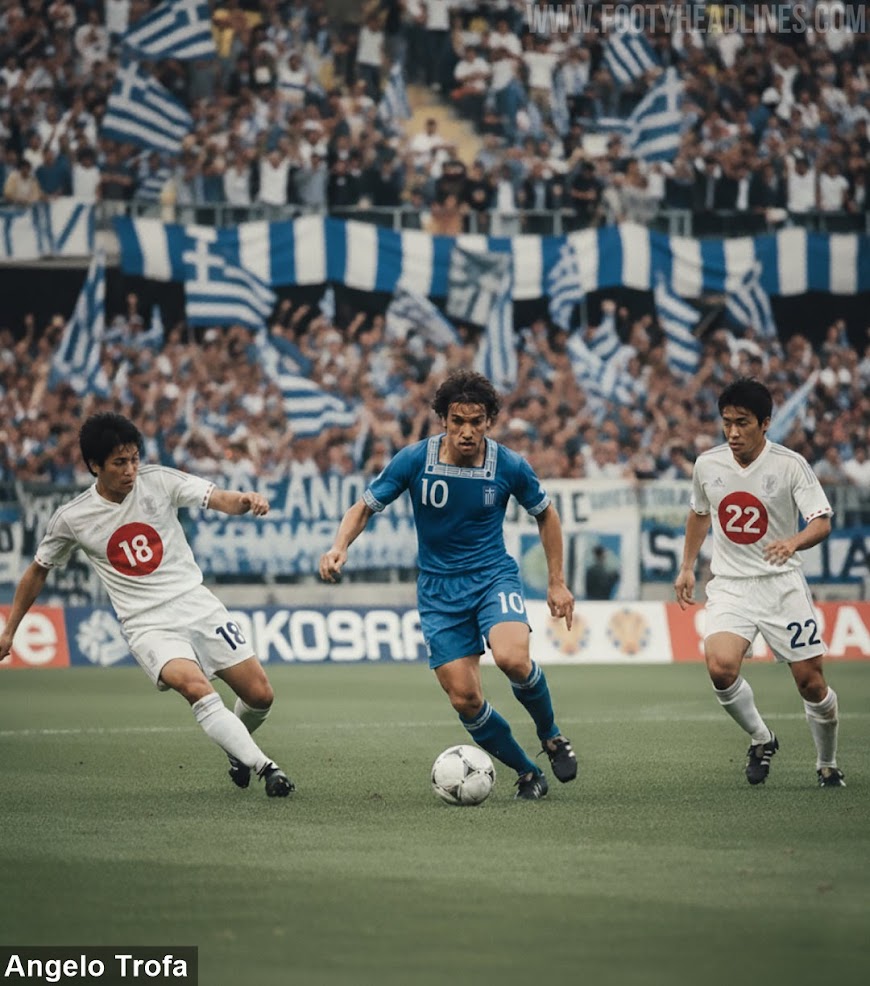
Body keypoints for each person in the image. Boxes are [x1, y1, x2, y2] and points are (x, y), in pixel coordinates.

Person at [0, 413, 293, 798]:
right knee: (196, 687)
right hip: (147, 624)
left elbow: (216, 497)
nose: (130, 470)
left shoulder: (158, 481)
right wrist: (9, 630)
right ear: (95, 465)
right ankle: (266, 767)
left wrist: (245, 500)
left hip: (195, 604)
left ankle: (237, 748)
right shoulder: (72, 518)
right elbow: (38, 571)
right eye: (119, 462)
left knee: (260, 695)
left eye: (134, 459)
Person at [319, 370, 577, 800]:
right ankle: (528, 773)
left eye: (476, 422)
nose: (467, 431)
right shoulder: (414, 460)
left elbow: (546, 514)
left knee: (513, 658)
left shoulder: (509, 465)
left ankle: (551, 736)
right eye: (458, 421)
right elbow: (363, 507)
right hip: (439, 592)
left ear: (489, 421)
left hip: (492, 576)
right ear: (443, 420)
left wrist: (557, 583)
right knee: (465, 699)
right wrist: (338, 546)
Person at [674, 379, 844, 788]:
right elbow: (700, 513)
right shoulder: (708, 464)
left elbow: (821, 521)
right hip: (731, 584)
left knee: (810, 682)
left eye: (743, 423)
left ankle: (827, 763)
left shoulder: (790, 465)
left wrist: (793, 542)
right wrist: (687, 566)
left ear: (765, 423)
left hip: (781, 584)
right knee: (720, 667)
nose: (732, 433)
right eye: (726, 423)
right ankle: (762, 737)